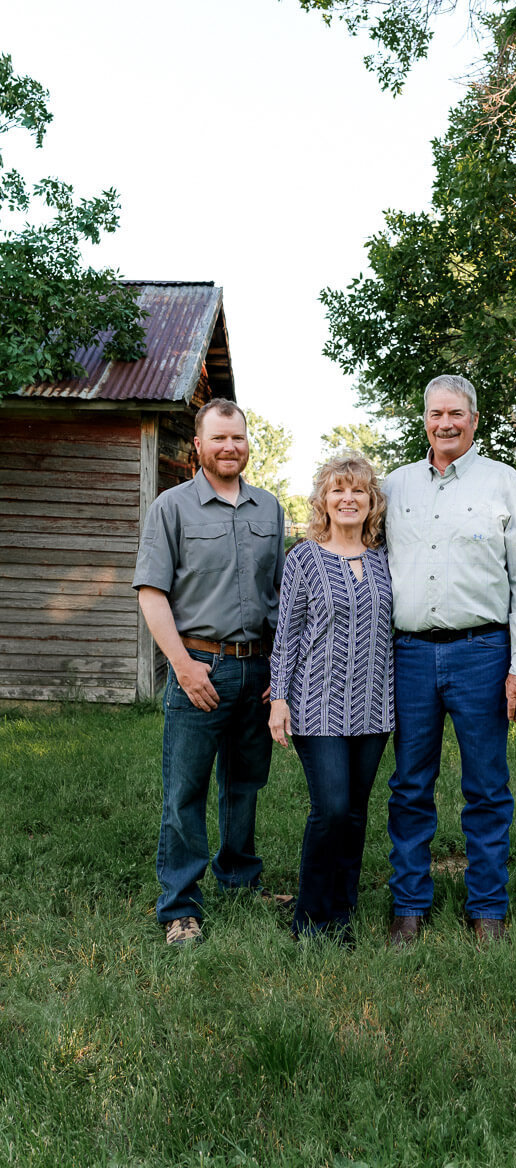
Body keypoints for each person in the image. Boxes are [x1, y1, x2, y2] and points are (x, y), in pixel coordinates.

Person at [382, 374, 516, 944]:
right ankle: (408, 905)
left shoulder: (506, 484)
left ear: (474, 420)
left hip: (483, 651)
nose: (445, 423)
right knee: (409, 785)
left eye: (456, 413)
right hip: (409, 655)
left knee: (487, 786)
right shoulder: (395, 486)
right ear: (423, 419)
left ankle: (488, 910)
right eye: (435, 414)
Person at [133, 398, 284, 946]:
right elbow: (151, 594)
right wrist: (183, 666)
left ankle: (239, 878)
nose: (229, 448)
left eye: (238, 438)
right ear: (198, 444)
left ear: (248, 443)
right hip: (198, 667)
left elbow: (280, 596)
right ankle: (179, 906)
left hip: (256, 670)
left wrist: (280, 669)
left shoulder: (269, 509)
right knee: (185, 792)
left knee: (245, 785)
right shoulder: (171, 508)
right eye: (218, 439)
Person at [269, 455, 394, 942]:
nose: (348, 499)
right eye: (338, 491)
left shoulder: (384, 558)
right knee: (332, 809)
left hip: (375, 704)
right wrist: (279, 698)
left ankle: (342, 912)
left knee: (357, 812)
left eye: (358, 491)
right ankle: (310, 916)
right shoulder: (303, 557)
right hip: (317, 704)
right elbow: (287, 634)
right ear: (323, 500)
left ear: (371, 502)